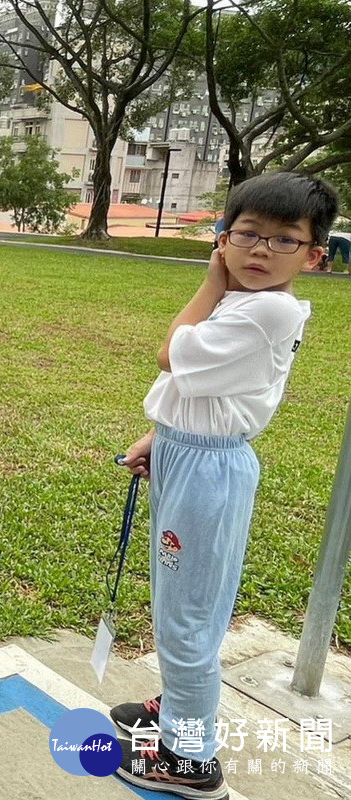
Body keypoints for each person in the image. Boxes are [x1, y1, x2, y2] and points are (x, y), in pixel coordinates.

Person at [112, 171, 339, 800]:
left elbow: (171, 354)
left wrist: (211, 279)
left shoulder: (266, 305)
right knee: (178, 601)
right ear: (224, 235)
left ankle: (191, 756)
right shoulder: (250, 301)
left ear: (315, 255)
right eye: (248, 233)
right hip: (190, 456)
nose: (261, 250)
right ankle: (179, 709)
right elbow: (202, 388)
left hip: (209, 470)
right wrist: (162, 438)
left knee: (188, 616)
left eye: (284, 239)